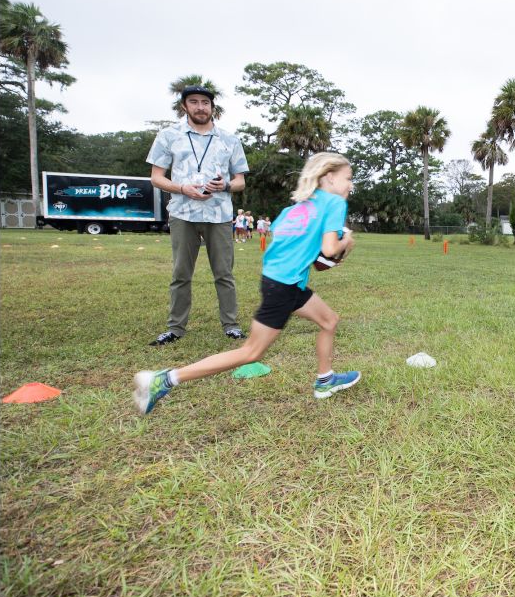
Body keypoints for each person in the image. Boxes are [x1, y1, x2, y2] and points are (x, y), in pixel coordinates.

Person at [134, 152, 361, 414]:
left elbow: (297, 250)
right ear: (330, 178)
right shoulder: (333, 204)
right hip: (284, 287)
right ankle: (165, 379)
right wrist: (347, 242)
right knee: (251, 352)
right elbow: (330, 250)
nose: (350, 185)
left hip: (279, 281)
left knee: (329, 320)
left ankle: (325, 380)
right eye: (348, 178)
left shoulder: (293, 210)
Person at [146, 84, 250, 346]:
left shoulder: (229, 139)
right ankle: (175, 328)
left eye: (205, 102)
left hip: (220, 214)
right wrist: (182, 188)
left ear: (212, 107)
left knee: (224, 273)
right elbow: (156, 178)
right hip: (183, 212)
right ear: (185, 106)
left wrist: (224, 185)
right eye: (194, 102)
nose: (200, 107)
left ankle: (231, 325)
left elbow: (240, 181)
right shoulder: (169, 136)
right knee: (181, 273)